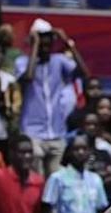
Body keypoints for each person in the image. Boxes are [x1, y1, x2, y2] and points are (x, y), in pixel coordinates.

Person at [17, 19, 90, 176]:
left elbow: (84, 73)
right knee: (36, 180)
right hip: (33, 133)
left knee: (55, 182)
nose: (45, 49)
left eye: (47, 44)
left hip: (57, 134)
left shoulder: (59, 61)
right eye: (41, 44)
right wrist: (35, 45)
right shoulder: (23, 62)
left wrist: (68, 43)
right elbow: (28, 78)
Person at [43, 133, 108, 213]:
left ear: (89, 152)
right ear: (68, 152)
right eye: (76, 149)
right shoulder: (57, 179)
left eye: (84, 149)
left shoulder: (96, 179)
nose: (81, 152)